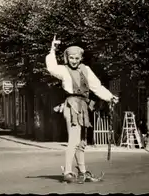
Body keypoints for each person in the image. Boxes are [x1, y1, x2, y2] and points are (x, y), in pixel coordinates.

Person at [45, 35, 119, 183]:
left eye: (77, 58)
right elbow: (51, 68)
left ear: (81, 58)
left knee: (82, 141)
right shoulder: (63, 70)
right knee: (73, 139)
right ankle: (67, 171)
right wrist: (52, 50)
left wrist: (110, 97)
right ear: (67, 58)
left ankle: (82, 172)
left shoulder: (86, 69)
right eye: (71, 58)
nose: (74, 60)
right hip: (71, 105)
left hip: (84, 106)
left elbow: (96, 87)